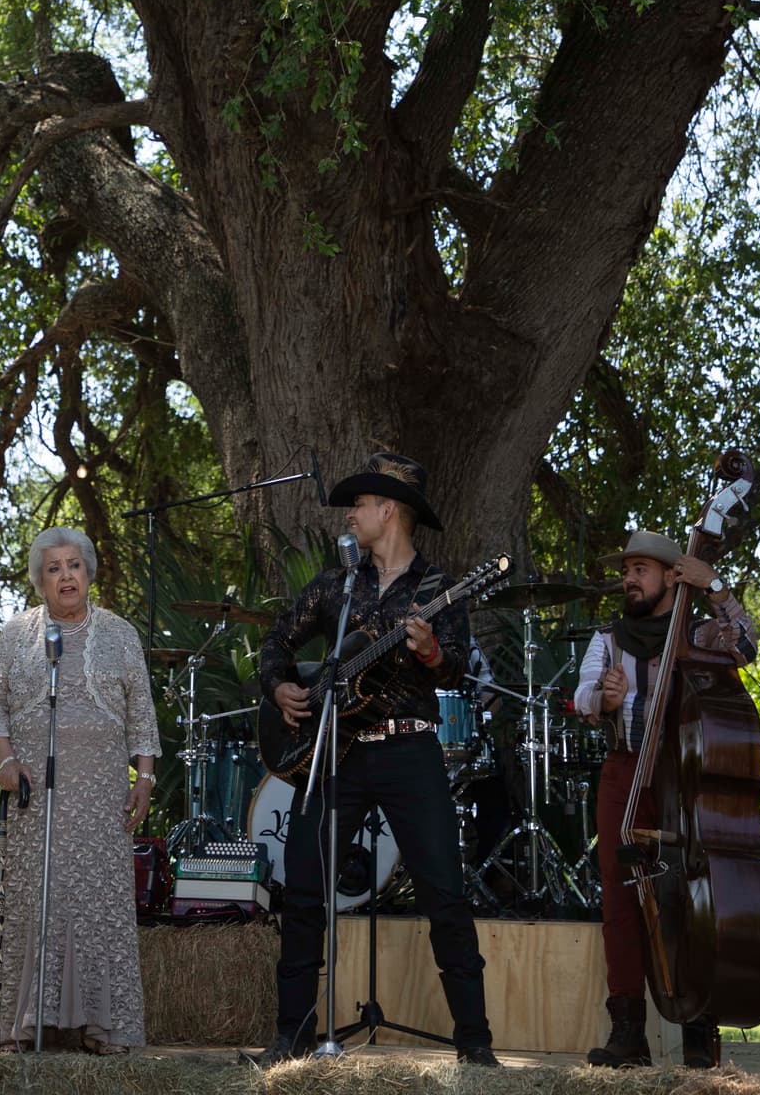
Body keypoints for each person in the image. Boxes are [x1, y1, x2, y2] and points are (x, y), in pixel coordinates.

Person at [253, 453, 499, 1067]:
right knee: (305, 886)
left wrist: (431, 649)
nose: (352, 514)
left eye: (360, 504)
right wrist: (280, 685)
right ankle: (293, 1036)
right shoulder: (339, 583)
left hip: (410, 750)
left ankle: (475, 1044)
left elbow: (459, 666)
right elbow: (278, 637)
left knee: (444, 890)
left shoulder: (440, 588)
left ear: (389, 510)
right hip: (335, 751)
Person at [574, 530, 758, 1070]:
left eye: (641, 570)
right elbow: (581, 695)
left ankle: (701, 1027)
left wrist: (717, 588)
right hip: (624, 773)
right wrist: (601, 700)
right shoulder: (608, 638)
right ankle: (628, 1033)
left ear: (672, 578)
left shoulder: (700, 631)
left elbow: (746, 647)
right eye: (627, 569)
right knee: (619, 899)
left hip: (687, 774)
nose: (629, 579)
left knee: (695, 900)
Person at [0, 526, 159, 1055]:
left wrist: (143, 778)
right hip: (37, 790)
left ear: (88, 572)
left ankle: (103, 1027)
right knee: (38, 896)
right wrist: (6, 760)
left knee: (97, 901)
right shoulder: (15, 634)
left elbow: (141, 715)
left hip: (102, 789)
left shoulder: (120, 634)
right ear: (40, 581)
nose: (65, 577)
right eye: (53, 568)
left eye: (73, 566)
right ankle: (21, 1025)